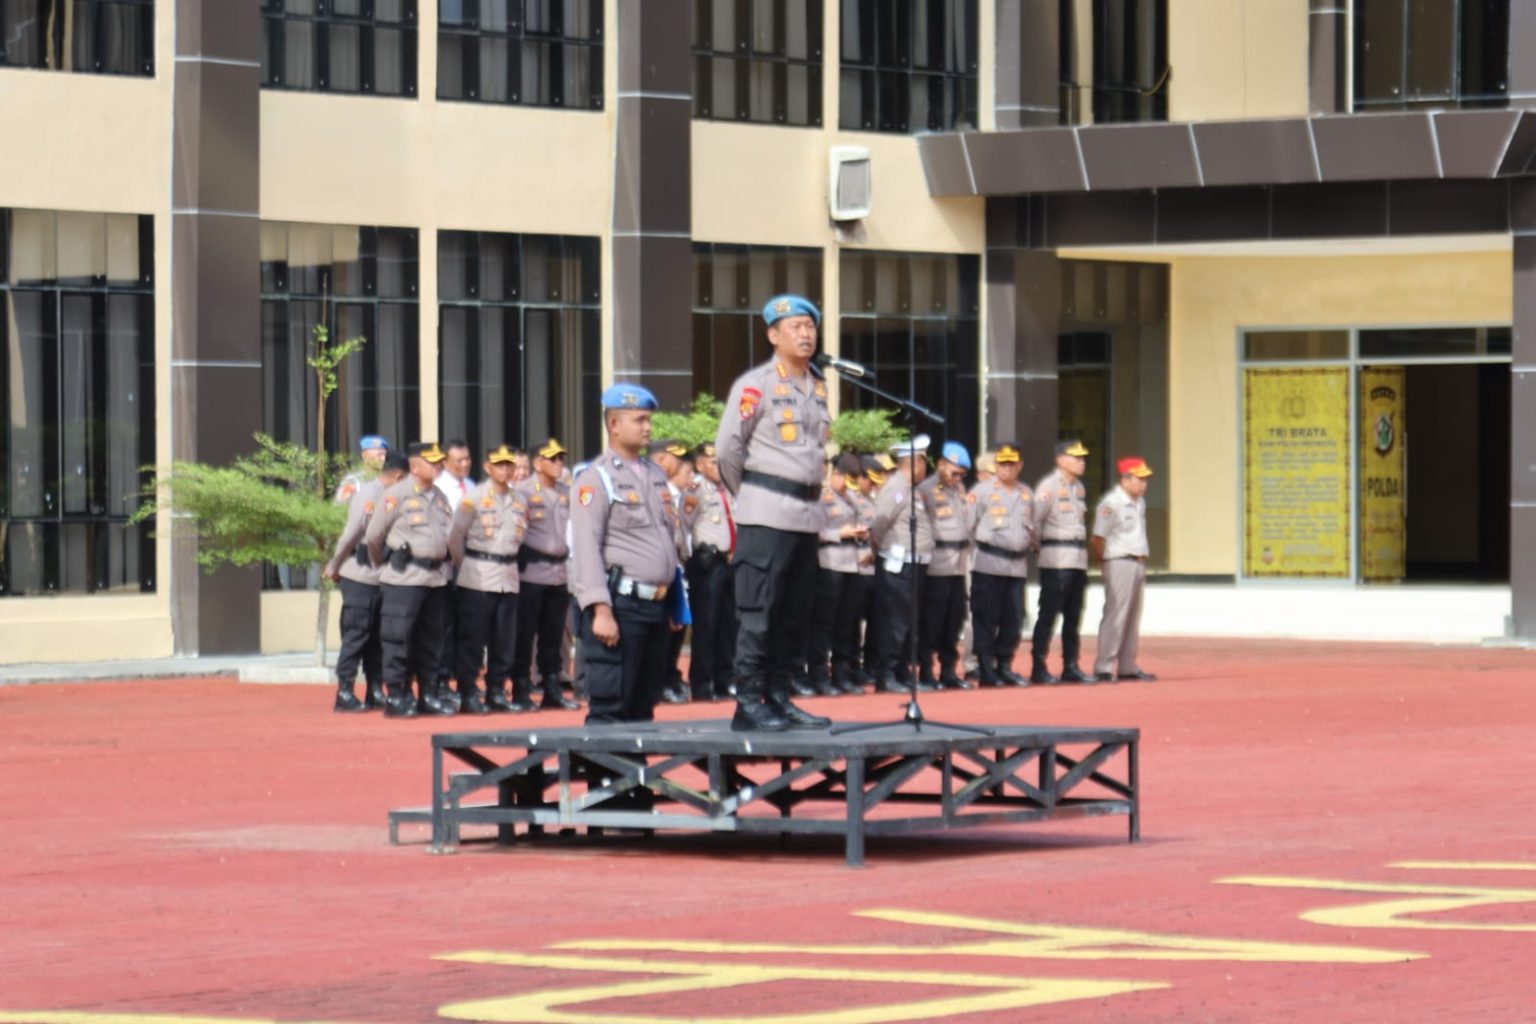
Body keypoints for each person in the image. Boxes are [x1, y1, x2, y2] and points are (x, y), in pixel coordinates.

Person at [714, 294, 834, 732]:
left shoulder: (817, 385)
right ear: (773, 335)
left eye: (810, 326)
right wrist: (750, 495)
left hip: (806, 515)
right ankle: (748, 702)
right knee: (759, 611)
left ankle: (780, 697)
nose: (805, 334)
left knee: (794, 614)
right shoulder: (757, 384)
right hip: (765, 513)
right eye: (795, 327)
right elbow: (728, 449)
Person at [569, 385, 690, 725]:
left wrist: (673, 603)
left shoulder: (655, 475)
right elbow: (586, 546)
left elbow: (667, 538)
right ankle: (605, 780)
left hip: (656, 606)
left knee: (643, 707)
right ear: (614, 424)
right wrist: (600, 609)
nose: (648, 427)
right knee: (612, 708)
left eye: (649, 419)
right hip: (621, 606)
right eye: (639, 420)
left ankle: (634, 780)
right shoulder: (596, 479)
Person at [366, 442, 456, 717]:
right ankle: (397, 694)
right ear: (415, 465)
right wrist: (385, 562)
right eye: (432, 461)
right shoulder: (397, 494)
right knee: (398, 638)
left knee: (432, 640)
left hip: (436, 577)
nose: (438, 465)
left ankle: (427, 694)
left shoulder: (440, 496)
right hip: (404, 578)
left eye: (440, 461)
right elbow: (373, 535)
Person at [324, 450, 408, 712]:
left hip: (382, 576)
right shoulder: (369, 495)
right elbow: (350, 534)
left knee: (377, 639)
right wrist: (334, 564)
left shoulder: (392, 497)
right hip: (360, 575)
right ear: (397, 475)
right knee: (356, 634)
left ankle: (374, 688)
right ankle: (345, 691)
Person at [448, 444, 528, 715]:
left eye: (509, 464)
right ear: (487, 467)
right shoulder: (474, 498)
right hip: (478, 575)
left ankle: (496, 691)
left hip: (509, 575)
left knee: (504, 640)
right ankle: (468, 692)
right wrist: (468, 564)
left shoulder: (519, 500)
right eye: (499, 464)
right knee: (473, 638)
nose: (505, 469)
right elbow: (455, 538)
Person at [513, 438, 578, 710]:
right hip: (532, 573)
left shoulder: (566, 492)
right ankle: (520, 689)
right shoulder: (523, 492)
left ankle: (552, 687)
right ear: (538, 463)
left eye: (561, 458)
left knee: (553, 636)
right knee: (525, 635)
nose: (559, 463)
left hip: (558, 573)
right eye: (552, 459)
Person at [867, 435, 934, 693]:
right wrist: (879, 551)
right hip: (898, 562)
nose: (924, 468)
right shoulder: (896, 486)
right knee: (894, 621)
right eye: (923, 462)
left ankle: (901, 670)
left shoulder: (909, 488)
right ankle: (886, 674)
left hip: (914, 561)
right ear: (915, 462)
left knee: (908, 621)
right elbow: (880, 523)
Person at [969, 443, 1034, 687]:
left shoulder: (1027, 494)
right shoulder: (982, 492)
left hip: (1016, 566)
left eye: (1011, 464)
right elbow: (968, 525)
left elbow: (1033, 527)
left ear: (1020, 465)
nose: (1007, 468)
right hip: (989, 563)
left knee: (1013, 618)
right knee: (986, 617)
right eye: (1002, 464)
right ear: (996, 466)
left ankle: (1004, 664)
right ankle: (986, 667)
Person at [1031, 439, 1094, 684]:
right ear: (1060, 460)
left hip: (1077, 559)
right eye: (1076, 458)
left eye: (1082, 458)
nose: (1082, 462)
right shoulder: (1048, 487)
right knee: (1048, 615)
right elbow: (1035, 523)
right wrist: (1042, 549)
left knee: (1073, 615)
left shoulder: (1079, 487)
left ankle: (1071, 665)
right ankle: (1039, 665)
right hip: (1056, 560)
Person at [806, 453, 869, 696]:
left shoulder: (852, 497)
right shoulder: (822, 496)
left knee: (846, 622)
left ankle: (842, 673)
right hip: (829, 561)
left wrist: (860, 533)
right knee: (824, 623)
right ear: (837, 474)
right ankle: (819, 674)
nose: (848, 486)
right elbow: (816, 531)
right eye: (845, 479)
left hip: (852, 563)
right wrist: (839, 533)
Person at [1092, 457, 1158, 683]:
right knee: (1116, 615)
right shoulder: (1112, 503)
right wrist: (1104, 563)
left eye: (1145, 479)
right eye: (1139, 479)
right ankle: (1105, 665)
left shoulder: (1139, 503)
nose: (1144, 484)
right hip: (1119, 560)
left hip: (1138, 560)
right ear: (1125, 479)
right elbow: (1098, 538)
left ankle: (1128, 665)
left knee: (1132, 616)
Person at [682, 441, 737, 702]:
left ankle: (725, 680)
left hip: (730, 561)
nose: (718, 467)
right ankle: (702, 684)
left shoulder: (728, 488)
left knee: (729, 624)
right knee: (706, 624)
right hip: (707, 562)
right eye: (713, 462)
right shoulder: (695, 490)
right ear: (700, 464)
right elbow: (683, 525)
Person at [917, 441, 974, 690]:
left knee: (954, 619)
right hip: (937, 563)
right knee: (932, 621)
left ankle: (949, 670)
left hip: (959, 564)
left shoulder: (959, 489)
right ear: (941, 465)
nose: (958, 477)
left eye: (962, 474)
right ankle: (927, 671)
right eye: (954, 472)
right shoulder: (926, 490)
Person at [650, 440, 695, 705]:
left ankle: (670, 676)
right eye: (673, 459)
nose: (679, 464)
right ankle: (660, 681)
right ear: (658, 461)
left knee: (678, 624)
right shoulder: (655, 490)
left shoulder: (675, 494)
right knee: (663, 628)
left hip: (678, 565)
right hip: (660, 566)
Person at [852, 453, 891, 690]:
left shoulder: (876, 500)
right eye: (871, 480)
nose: (874, 485)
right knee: (852, 623)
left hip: (875, 566)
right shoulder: (852, 500)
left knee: (877, 622)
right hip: (857, 566)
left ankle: (871, 664)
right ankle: (853, 667)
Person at [335, 435, 390, 504]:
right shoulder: (354, 481)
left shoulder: (388, 479)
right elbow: (342, 507)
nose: (383, 459)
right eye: (379, 455)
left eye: (385, 455)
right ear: (365, 456)